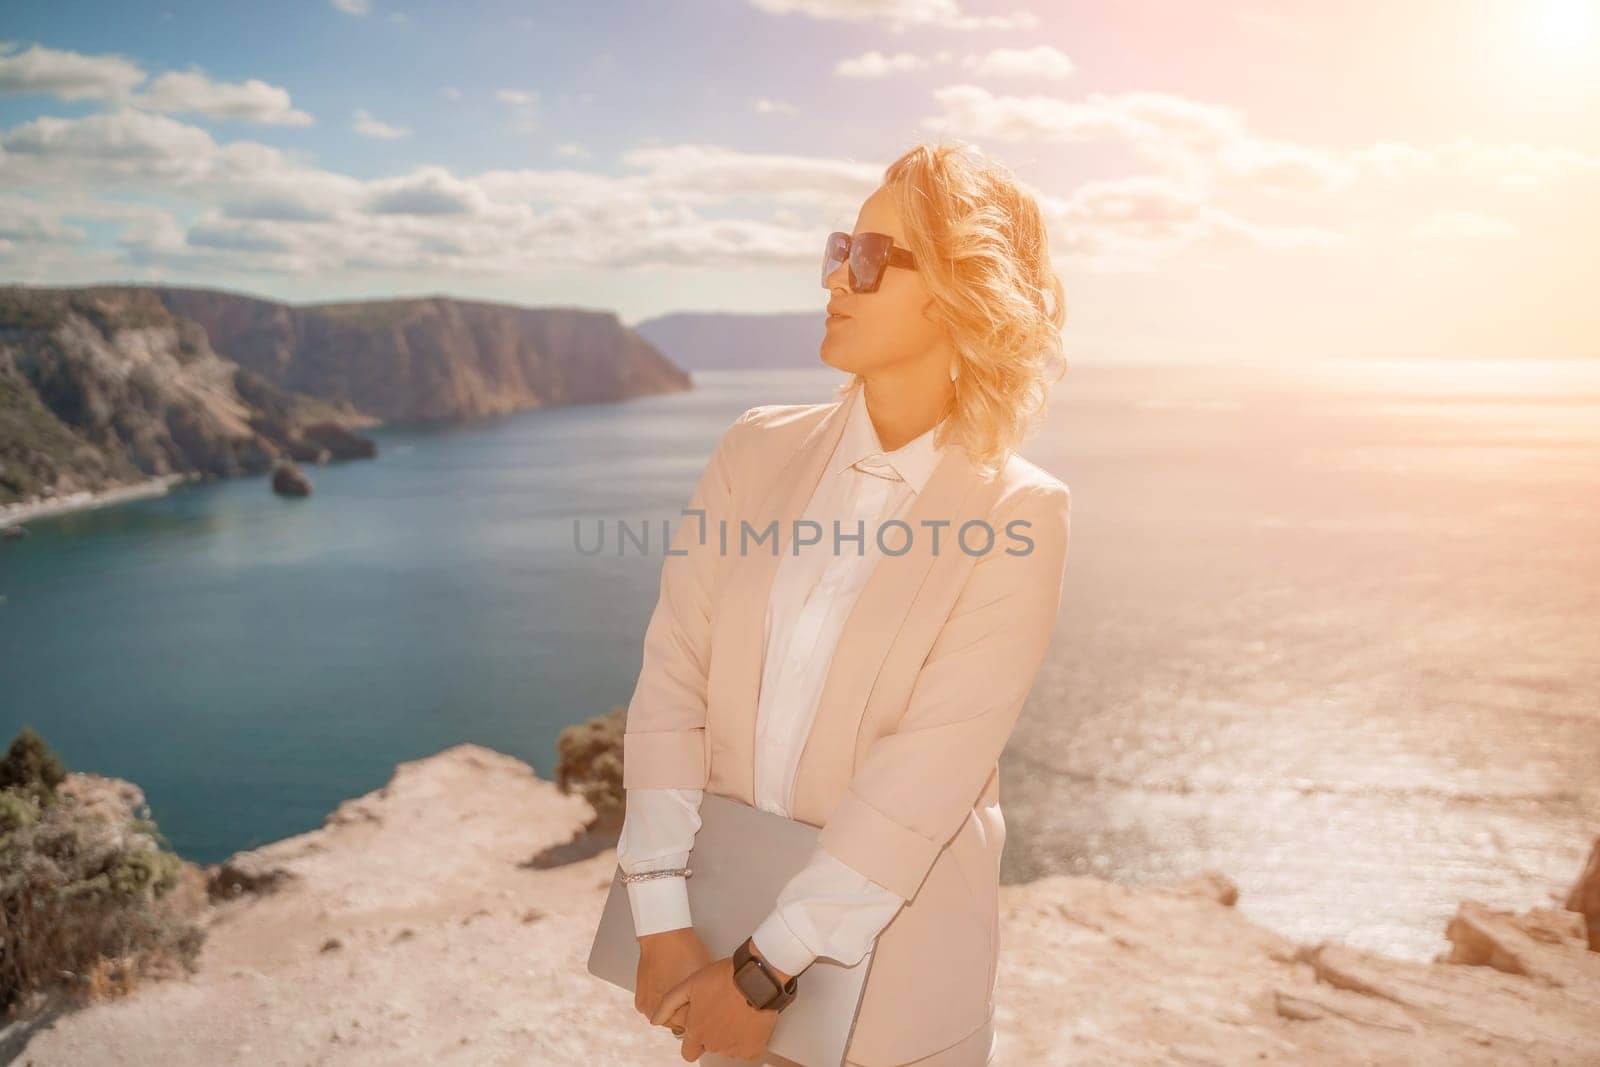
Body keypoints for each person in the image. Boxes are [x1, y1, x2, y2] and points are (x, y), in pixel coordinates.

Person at [615, 138, 1071, 1066]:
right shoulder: (754, 450)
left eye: (870, 257)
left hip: (896, 994)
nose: (836, 278)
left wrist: (764, 972)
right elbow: (675, 676)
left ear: (959, 291)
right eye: (839, 248)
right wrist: (659, 909)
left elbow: (926, 777)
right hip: (713, 942)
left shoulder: (1021, 512)